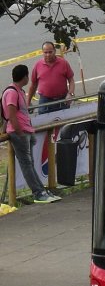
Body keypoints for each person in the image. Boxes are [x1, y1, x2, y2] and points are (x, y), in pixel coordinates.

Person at [2, 64, 61, 203]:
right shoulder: (12, 92)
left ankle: (41, 191)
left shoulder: (19, 91)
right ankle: (38, 193)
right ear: (25, 76)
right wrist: (19, 133)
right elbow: (11, 114)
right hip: (20, 133)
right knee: (26, 164)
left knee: (31, 163)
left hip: (26, 131)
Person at [27, 41, 75, 114]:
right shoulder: (38, 65)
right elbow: (33, 85)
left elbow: (71, 80)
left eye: (50, 52)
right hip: (45, 101)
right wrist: (28, 102)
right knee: (44, 122)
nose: (48, 55)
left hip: (62, 100)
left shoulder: (63, 63)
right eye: (45, 52)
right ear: (42, 52)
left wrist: (70, 94)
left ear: (55, 51)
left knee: (64, 123)